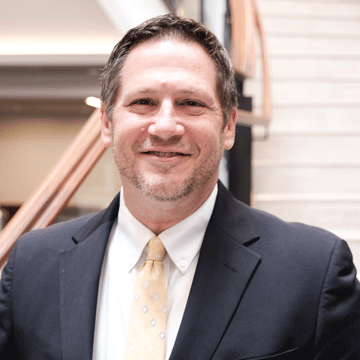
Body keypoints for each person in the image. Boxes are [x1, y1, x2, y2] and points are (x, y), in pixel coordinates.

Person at [0, 14, 359, 360]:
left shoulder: (313, 274)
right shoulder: (31, 266)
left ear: (229, 125)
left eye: (191, 103)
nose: (166, 127)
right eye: (143, 102)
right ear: (107, 124)